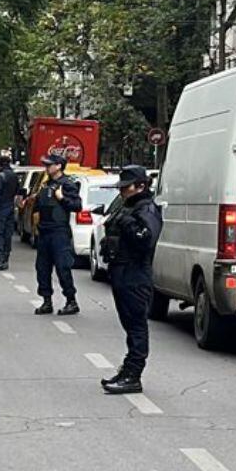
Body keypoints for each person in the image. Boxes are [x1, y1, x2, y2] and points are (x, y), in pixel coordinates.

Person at [98, 166, 163, 395]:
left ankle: (133, 374)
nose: (123, 191)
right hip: (121, 271)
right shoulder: (129, 207)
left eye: (127, 187)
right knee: (129, 324)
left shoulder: (146, 209)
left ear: (141, 186)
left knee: (136, 326)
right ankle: (127, 370)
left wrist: (127, 224)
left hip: (135, 273)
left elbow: (145, 240)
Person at [32, 155, 81, 316]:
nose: (46, 167)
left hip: (59, 232)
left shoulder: (67, 184)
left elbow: (77, 206)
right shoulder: (46, 185)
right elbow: (39, 207)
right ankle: (47, 301)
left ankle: (71, 301)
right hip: (44, 232)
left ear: (59, 166)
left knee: (63, 267)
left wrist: (62, 198)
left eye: (49, 165)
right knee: (42, 268)